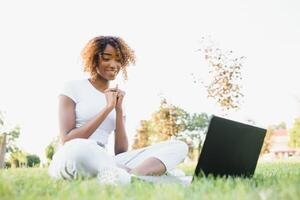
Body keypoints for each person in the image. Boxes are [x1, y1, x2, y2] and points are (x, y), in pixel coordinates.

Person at [48, 36, 188, 184]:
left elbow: (121, 152)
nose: (114, 64)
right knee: (82, 148)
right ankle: (146, 177)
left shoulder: (116, 99)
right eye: (107, 58)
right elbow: (68, 140)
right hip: (74, 155)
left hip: (108, 160)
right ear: (94, 59)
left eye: (118, 60)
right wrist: (107, 109)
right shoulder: (72, 87)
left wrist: (118, 110)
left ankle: (130, 177)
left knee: (179, 146)